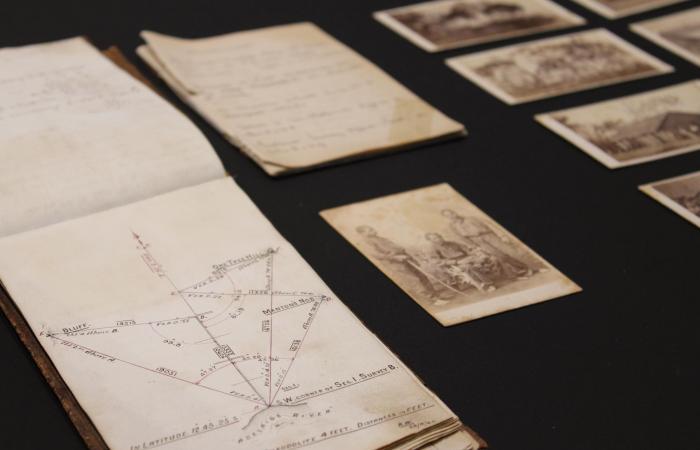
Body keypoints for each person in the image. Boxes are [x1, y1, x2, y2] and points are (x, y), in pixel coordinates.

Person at [441, 209, 535, 279]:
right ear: (446, 218)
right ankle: (523, 270)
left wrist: (502, 235)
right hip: (478, 241)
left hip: (489, 235)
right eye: (448, 216)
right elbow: (461, 238)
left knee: (511, 252)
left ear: (455, 212)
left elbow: (490, 225)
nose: (452, 216)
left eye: (452, 213)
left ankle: (535, 268)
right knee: (501, 256)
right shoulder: (452, 227)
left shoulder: (471, 218)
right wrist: (474, 246)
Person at [356, 225, 440, 298]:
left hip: (405, 258)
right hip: (396, 263)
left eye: (372, 228)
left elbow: (396, 247)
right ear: (362, 233)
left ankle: (437, 295)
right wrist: (396, 257)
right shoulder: (366, 242)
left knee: (422, 276)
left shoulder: (380, 238)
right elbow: (377, 255)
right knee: (415, 280)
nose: (373, 230)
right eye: (370, 230)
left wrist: (408, 256)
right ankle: (432, 299)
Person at [425, 232, 498, 292]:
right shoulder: (432, 249)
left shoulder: (452, 243)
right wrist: (456, 262)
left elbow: (466, 249)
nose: (439, 239)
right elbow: (436, 261)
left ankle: (496, 275)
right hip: (453, 265)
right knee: (468, 267)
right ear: (431, 241)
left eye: (439, 237)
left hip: (466, 258)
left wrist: (474, 254)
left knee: (485, 258)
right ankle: (487, 284)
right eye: (435, 238)